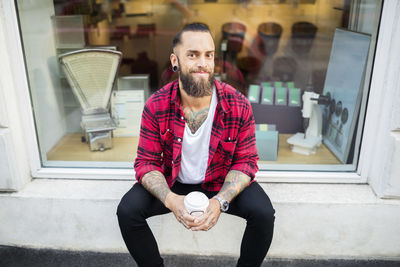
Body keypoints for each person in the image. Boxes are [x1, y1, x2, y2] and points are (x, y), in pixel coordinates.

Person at [117, 23, 275, 267]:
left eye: (208, 55)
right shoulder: (156, 105)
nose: (203, 63)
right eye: (193, 55)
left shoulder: (238, 104)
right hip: (173, 182)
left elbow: (246, 162)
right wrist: (171, 200)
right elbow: (145, 163)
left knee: (263, 213)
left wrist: (221, 200)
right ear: (175, 60)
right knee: (128, 211)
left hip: (220, 180)